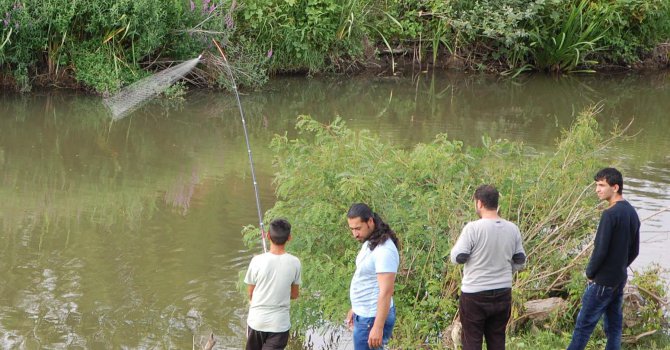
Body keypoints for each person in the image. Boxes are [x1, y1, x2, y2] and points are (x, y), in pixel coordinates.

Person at [567, 167, 640, 350]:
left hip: (602, 282)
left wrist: (590, 273)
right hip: (618, 279)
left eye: (601, 185)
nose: (597, 190)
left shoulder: (610, 214)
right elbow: (635, 251)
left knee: (583, 327)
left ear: (615, 187)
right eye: (596, 185)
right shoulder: (631, 212)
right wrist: (620, 267)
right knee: (614, 328)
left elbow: (600, 250)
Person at [450, 185, 526, 350]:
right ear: (497, 203)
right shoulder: (512, 229)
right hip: (503, 292)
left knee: (472, 342)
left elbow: (457, 258)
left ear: (479, 203)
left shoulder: (473, 228)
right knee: (497, 340)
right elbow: (520, 260)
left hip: (474, 294)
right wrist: (507, 270)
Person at [345, 203, 400, 350]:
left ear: (370, 221)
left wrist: (378, 327)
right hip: (365, 314)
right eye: (352, 229)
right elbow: (367, 280)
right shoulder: (372, 241)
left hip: (371, 318)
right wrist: (355, 307)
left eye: (358, 228)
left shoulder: (384, 251)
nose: (355, 234)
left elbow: (386, 291)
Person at [244, 218, 302, 350]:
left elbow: (250, 293)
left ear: (267, 235)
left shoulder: (257, 261)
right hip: (279, 325)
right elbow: (294, 294)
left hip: (256, 321)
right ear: (289, 238)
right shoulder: (295, 262)